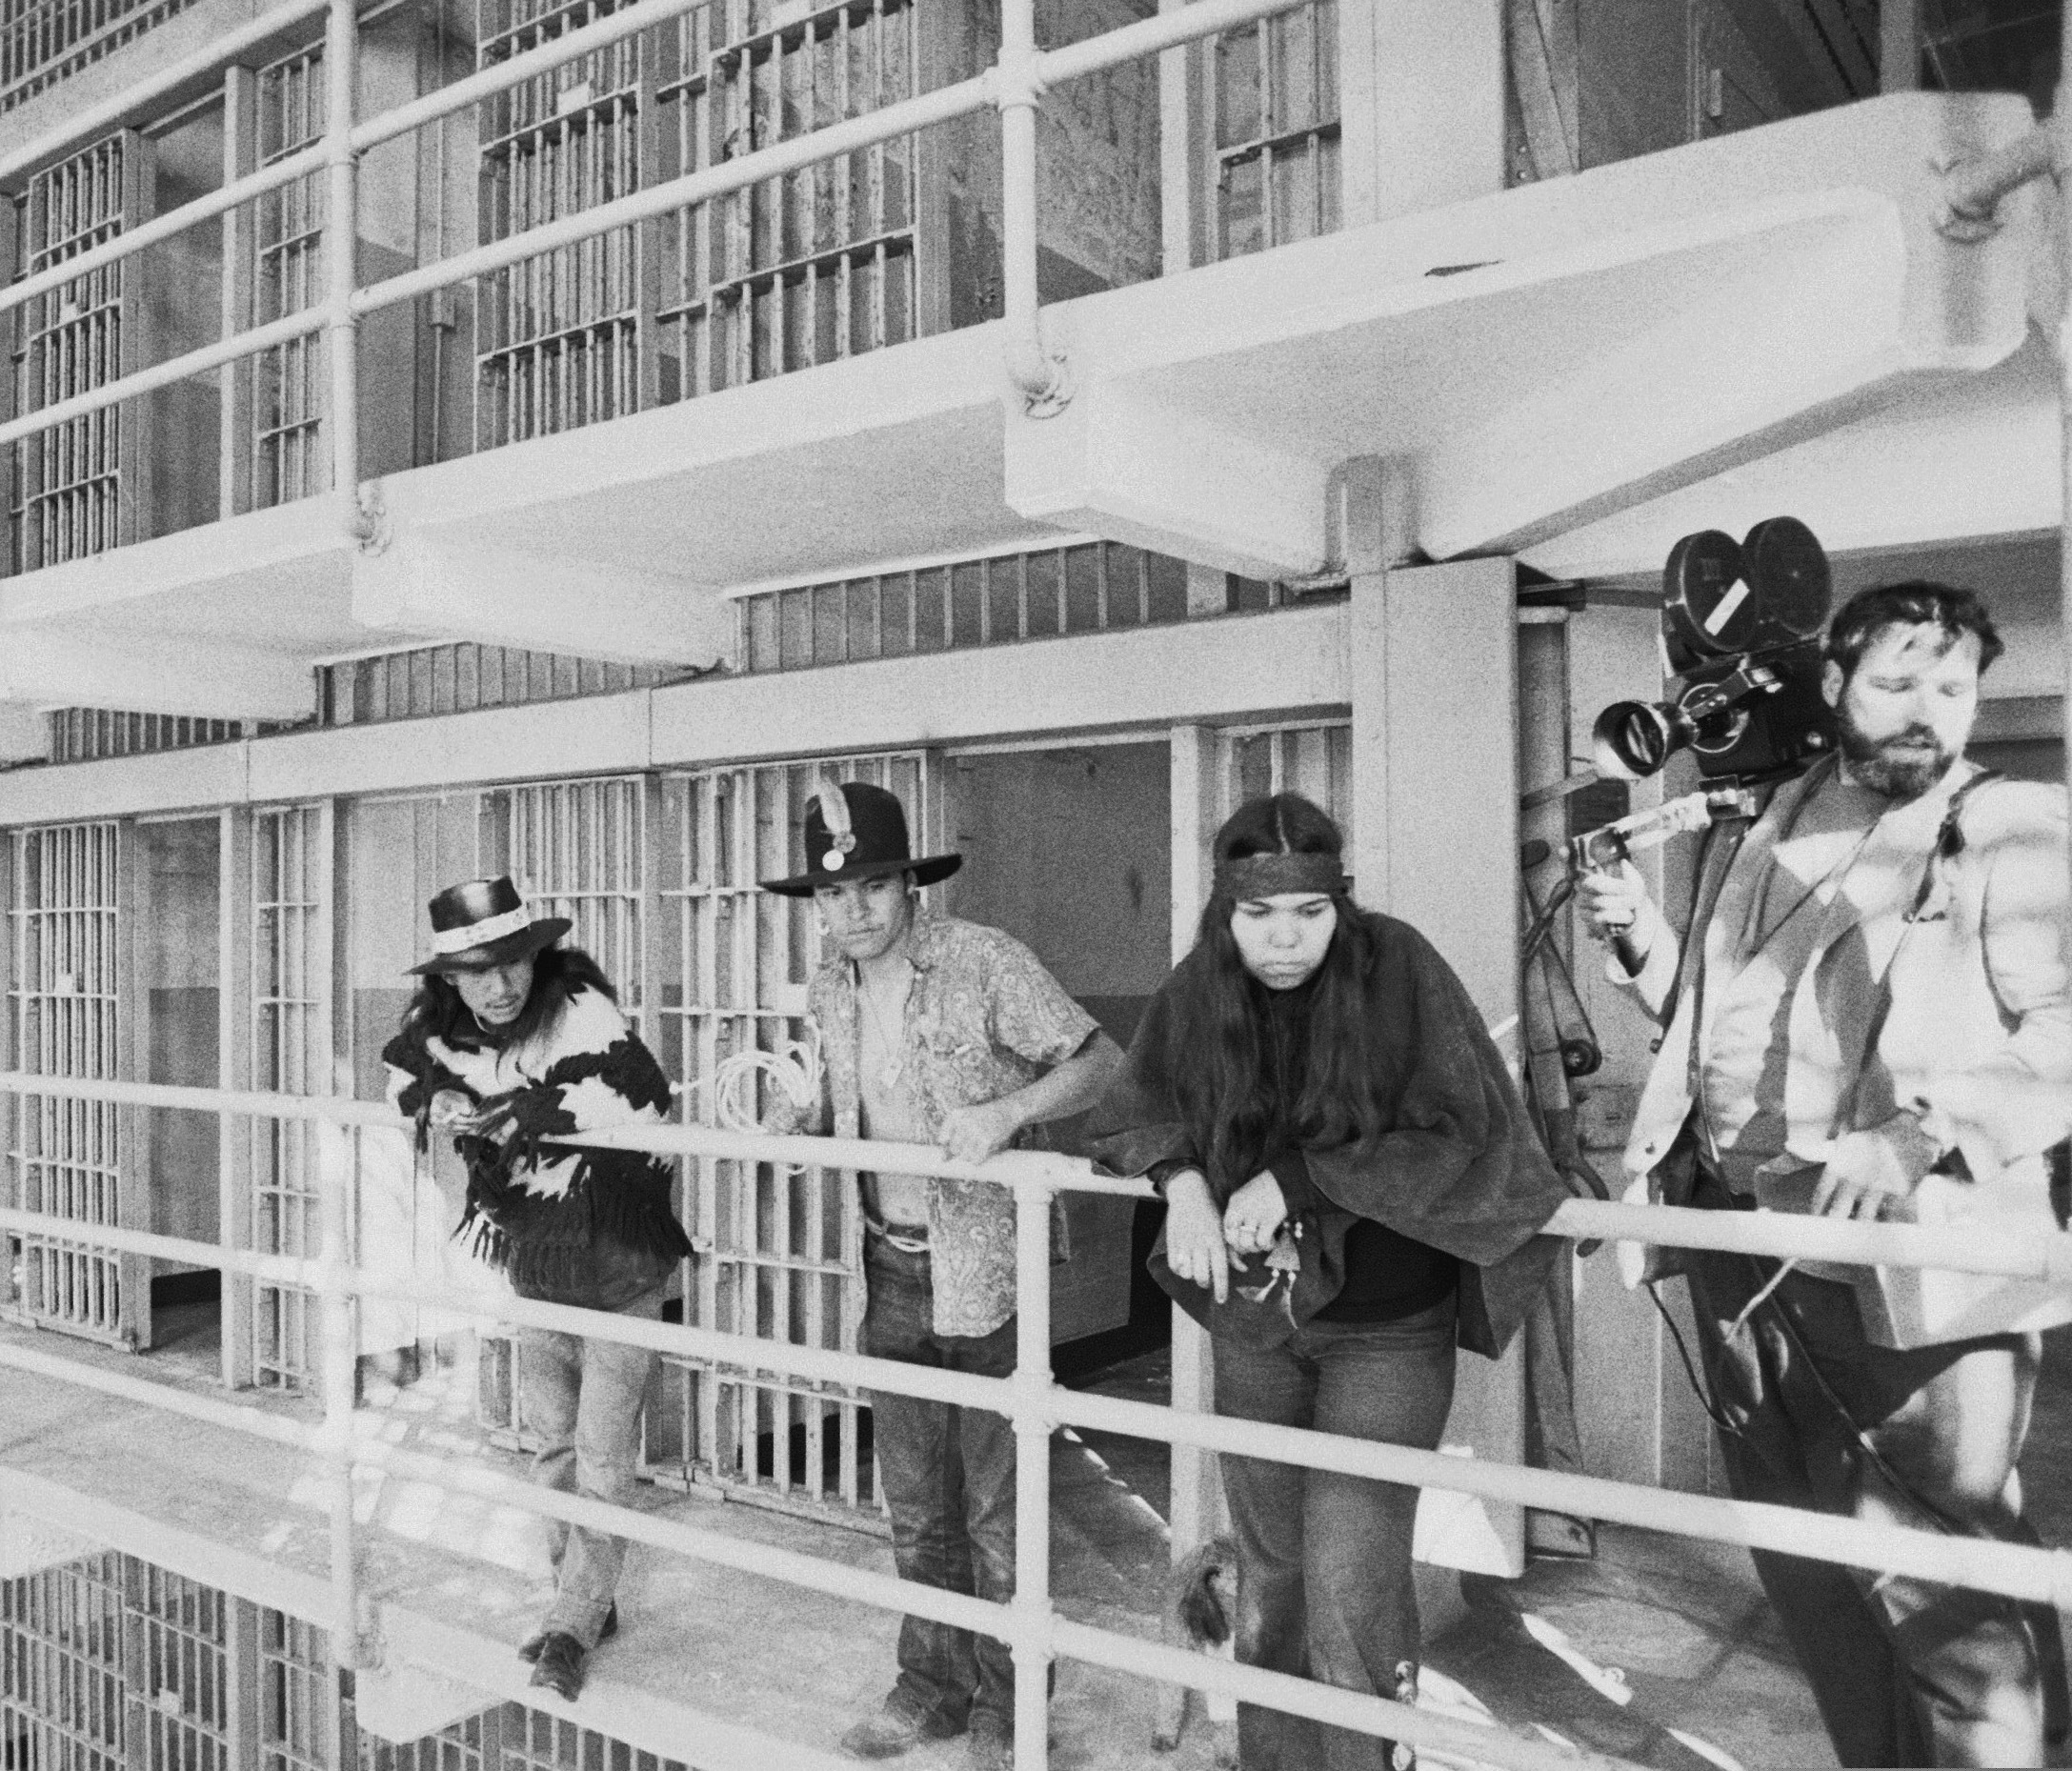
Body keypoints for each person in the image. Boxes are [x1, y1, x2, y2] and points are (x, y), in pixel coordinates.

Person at [1579, 582, 2072, 1767]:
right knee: (1810, 1569)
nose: (1924, 713)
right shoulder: (1765, 819)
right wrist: (1644, 935)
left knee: (1948, 1601)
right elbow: (1715, 1026)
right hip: (1739, 1256)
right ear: (1835, 687)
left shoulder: (2013, 823)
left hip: (1905, 1276)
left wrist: (1917, 1129)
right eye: (1895, 683)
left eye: (1950, 689)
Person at [1089, 793, 1569, 1771]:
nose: (1282, 939)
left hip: (1387, 1327)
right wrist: (1178, 1181)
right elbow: (1132, 1103)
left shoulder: (1396, 963)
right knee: (1269, 1582)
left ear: (1338, 905)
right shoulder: (1202, 983)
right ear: (1225, 913)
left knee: (1352, 1584)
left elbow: (1467, 1132)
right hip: (1256, 1322)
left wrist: (1298, 1176)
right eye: (1258, 915)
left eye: (1306, 914)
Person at [757, 780, 1126, 1771]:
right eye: (833, 896)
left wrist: (1007, 1114)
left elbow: (1099, 1060)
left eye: (873, 886)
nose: (854, 912)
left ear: (907, 884)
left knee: (995, 1507)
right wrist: (799, 1127)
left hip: (988, 1269)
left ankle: (1010, 1704)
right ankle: (929, 1686)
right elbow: (846, 1096)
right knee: (915, 1505)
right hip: (886, 1262)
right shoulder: (826, 981)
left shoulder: (982, 958)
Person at [381, 875, 694, 1704]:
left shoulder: (583, 1005)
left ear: (540, 956)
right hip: (538, 1259)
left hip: (623, 1256)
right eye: (478, 970)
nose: (501, 982)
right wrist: (441, 1097)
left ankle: (570, 1624)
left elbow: (638, 1093)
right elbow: (403, 1082)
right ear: (448, 979)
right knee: (552, 1442)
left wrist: (527, 1108)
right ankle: (584, 1599)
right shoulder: (442, 1027)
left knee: (600, 1448)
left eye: (514, 961)